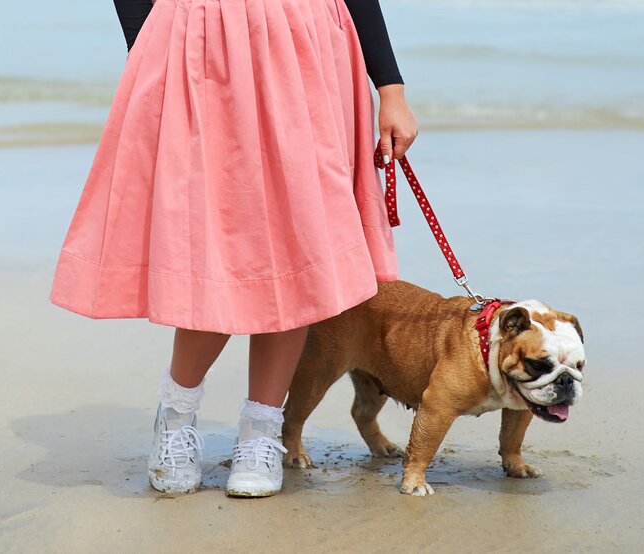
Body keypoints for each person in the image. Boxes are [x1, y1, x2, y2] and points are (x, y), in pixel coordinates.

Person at [50, 0, 418, 498]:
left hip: (307, 46)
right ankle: (176, 416)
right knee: (212, 247)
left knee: (298, 244)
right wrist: (148, 46)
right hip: (201, 43)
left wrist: (390, 87)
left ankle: (261, 431)